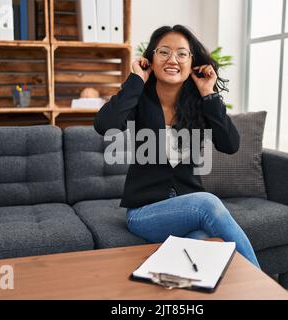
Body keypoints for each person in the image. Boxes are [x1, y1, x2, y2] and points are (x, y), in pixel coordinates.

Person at [93, 25, 260, 268]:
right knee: (207, 203)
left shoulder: (199, 103)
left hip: (186, 209)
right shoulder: (139, 98)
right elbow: (104, 124)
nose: (173, 60)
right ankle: (264, 290)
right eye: (164, 52)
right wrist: (136, 80)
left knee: (202, 251)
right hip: (144, 212)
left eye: (182, 54)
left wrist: (208, 93)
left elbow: (230, 144)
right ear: (151, 58)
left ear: (192, 62)